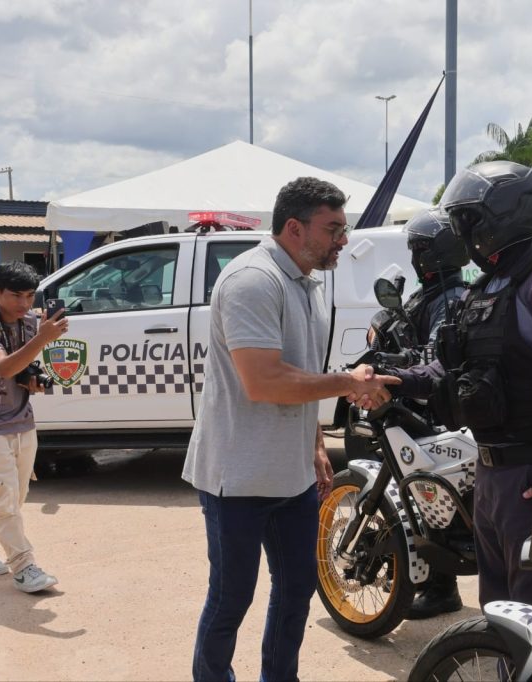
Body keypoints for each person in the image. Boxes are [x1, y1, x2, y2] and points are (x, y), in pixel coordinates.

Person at [181, 176, 401, 682]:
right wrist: (349, 381)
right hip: (237, 477)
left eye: (343, 228)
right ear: (295, 228)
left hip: (291, 476)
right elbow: (264, 381)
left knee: (298, 586)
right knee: (231, 597)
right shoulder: (254, 281)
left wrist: (315, 443)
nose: (343, 240)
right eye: (333, 229)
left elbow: (301, 369)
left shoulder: (311, 281)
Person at [386, 161, 532, 622]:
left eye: (469, 220)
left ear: (501, 215)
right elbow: (447, 368)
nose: (464, 233)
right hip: (490, 475)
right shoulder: (483, 289)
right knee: (500, 614)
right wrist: (395, 380)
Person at [371, 208, 468, 620]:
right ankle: (436, 583)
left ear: (435, 253)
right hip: (422, 401)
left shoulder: (452, 298)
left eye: (419, 249)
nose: (414, 257)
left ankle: (443, 588)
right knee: (425, 494)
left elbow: (434, 356)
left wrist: (395, 363)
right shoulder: (431, 291)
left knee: (435, 495)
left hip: (440, 410)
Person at [0, 261, 69, 593]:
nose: (24, 304)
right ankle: (24, 567)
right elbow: (3, 367)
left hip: (20, 417)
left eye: (30, 296)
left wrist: (33, 379)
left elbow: (22, 368)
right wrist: (43, 339)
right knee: (2, 497)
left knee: (13, 497)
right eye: (16, 295)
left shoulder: (31, 322)